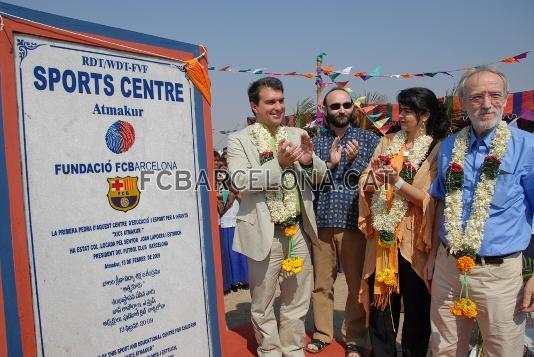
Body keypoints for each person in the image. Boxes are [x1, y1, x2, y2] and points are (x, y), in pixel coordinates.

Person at [424, 66, 534, 356]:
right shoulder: (449, 147)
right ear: (463, 102)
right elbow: (441, 202)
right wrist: (434, 256)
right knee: (443, 349)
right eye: (476, 97)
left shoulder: (527, 147)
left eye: (494, 95)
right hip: (449, 268)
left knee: (502, 351)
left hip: (499, 275)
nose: (486, 104)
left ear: (506, 99)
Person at [227, 77, 327, 357]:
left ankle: (293, 349)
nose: (278, 106)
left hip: (297, 231)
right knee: (262, 303)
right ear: (254, 106)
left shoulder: (296, 134)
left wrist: (308, 161)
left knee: (297, 299)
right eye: (270, 101)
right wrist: (279, 164)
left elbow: (320, 178)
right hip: (263, 234)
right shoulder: (239, 141)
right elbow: (240, 181)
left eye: (281, 100)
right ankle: (270, 351)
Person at [358, 87, 449, 356]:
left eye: (407, 111)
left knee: (417, 311)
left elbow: (429, 199)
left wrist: (396, 182)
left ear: (424, 115)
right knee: (381, 308)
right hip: (383, 238)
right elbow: (365, 180)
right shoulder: (388, 142)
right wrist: (375, 180)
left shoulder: (436, 148)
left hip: (413, 242)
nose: (401, 116)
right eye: (401, 110)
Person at [306, 88, 379, 357]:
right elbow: (307, 179)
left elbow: (373, 179)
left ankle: (355, 339)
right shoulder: (314, 142)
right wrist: (331, 162)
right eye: (335, 106)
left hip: (354, 223)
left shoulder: (369, 140)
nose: (341, 110)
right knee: (321, 283)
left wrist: (353, 160)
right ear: (325, 110)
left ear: (353, 109)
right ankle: (323, 333)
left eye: (346, 105)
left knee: (355, 284)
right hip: (322, 221)